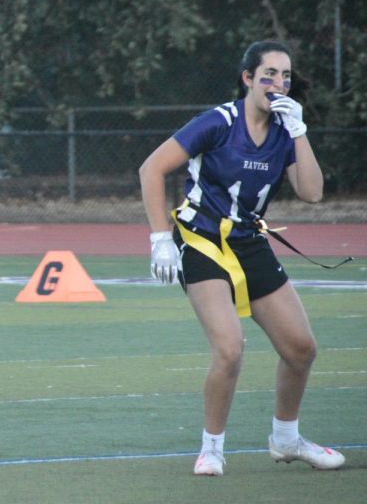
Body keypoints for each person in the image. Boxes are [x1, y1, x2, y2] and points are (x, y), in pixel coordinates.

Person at [139, 40, 345, 476]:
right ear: (247, 78)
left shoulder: (284, 131)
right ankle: (211, 448)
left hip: (248, 242)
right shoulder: (219, 122)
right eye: (268, 74)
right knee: (230, 349)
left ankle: (286, 440)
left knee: (302, 349)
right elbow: (151, 168)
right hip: (202, 239)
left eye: (285, 75)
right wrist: (160, 238)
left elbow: (312, 192)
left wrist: (300, 131)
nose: (277, 83)